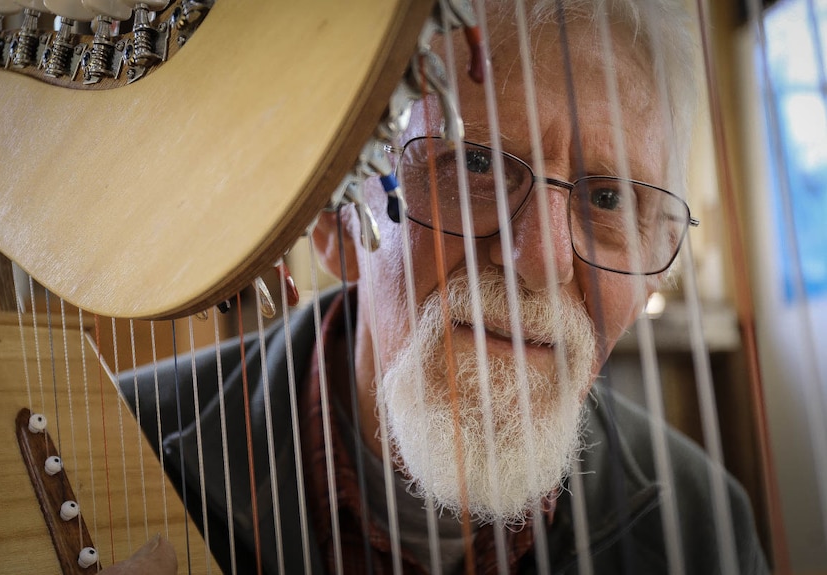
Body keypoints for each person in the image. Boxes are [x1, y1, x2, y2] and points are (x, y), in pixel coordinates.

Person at [118, 0, 770, 573]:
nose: (541, 260)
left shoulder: (704, 517)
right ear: (332, 218)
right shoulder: (118, 442)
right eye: (476, 162)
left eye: (607, 198)